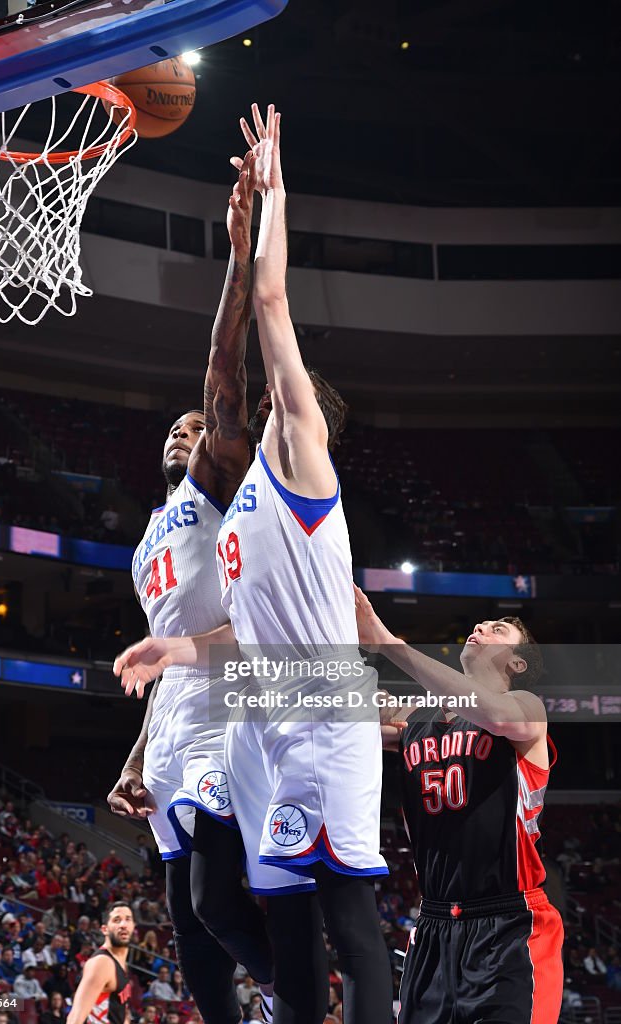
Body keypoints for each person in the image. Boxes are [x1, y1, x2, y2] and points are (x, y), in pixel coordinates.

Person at [114, 104, 394, 1024]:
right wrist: (156, 697)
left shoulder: (277, 465)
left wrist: (254, 230)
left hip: (298, 701)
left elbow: (240, 352)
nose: (200, 428)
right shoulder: (197, 523)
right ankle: (286, 1006)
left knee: (306, 910)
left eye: (209, 426)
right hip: (243, 699)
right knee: (223, 909)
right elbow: (217, 633)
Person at [107, 144, 284, 1024]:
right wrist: (138, 754)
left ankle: (307, 998)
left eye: (198, 425)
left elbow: (225, 365)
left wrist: (239, 251)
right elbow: (163, 654)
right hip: (178, 710)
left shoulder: (215, 480)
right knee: (185, 924)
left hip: (231, 697)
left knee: (217, 901)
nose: (189, 430)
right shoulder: (145, 542)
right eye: (176, 429)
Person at [353, 592, 565, 1024]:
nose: (483, 626)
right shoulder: (415, 719)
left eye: (499, 629)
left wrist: (387, 642)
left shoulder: (526, 710)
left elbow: (497, 716)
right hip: (433, 923)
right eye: (482, 623)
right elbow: (332, 708)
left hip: (509, 921)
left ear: (517, 663)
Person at [65, 902, 133, 1024]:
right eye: (117, 920)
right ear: (104, 929)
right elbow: (75, 1017)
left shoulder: (122, 964)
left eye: (128, 919)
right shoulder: (102, 963)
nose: (123, 925)